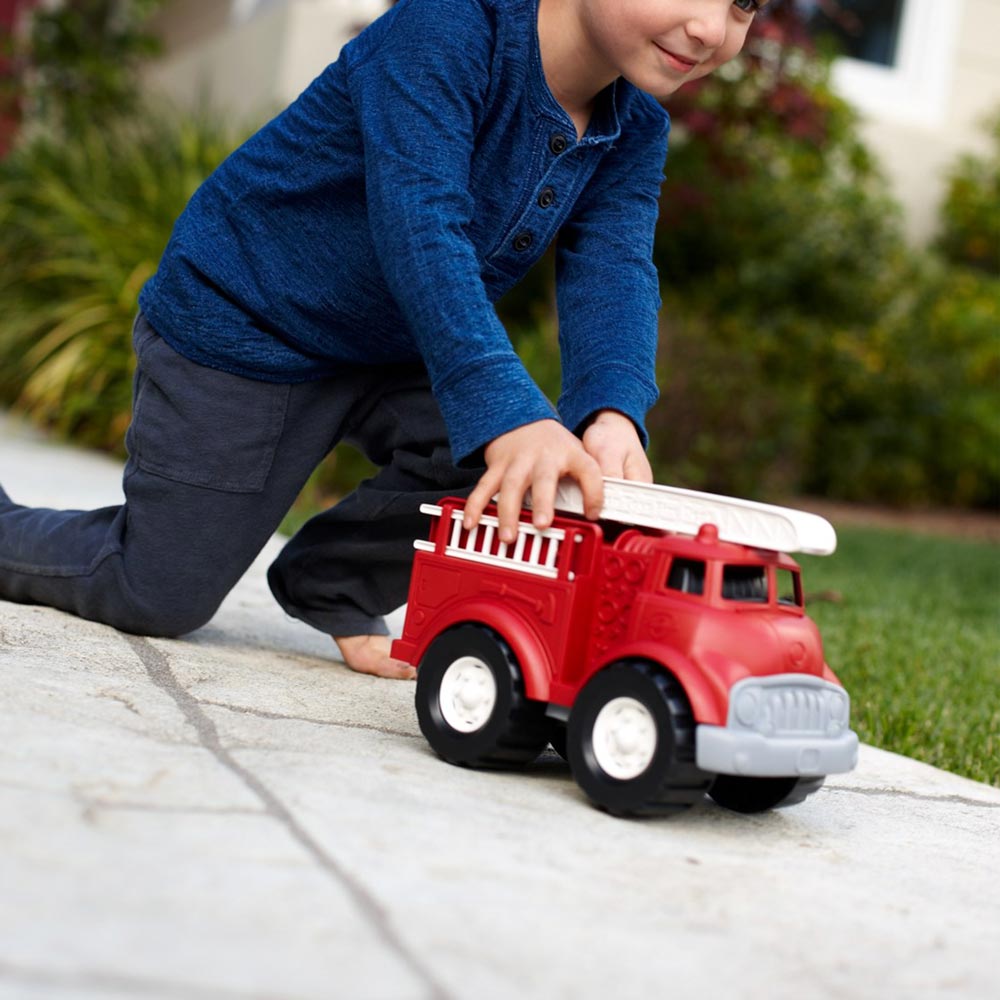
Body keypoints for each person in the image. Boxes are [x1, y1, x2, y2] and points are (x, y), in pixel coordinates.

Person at [0, 0, 766, 679]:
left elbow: (614, 265)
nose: (712, 28)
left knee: (528, 468)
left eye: (745, 3)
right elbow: (420, 225)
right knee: (156, 592)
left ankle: (331, 582)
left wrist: (610, 412)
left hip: (394, 347)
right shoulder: (447, 28)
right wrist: (508, 414)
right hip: (251, 323)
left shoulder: (634, 127)